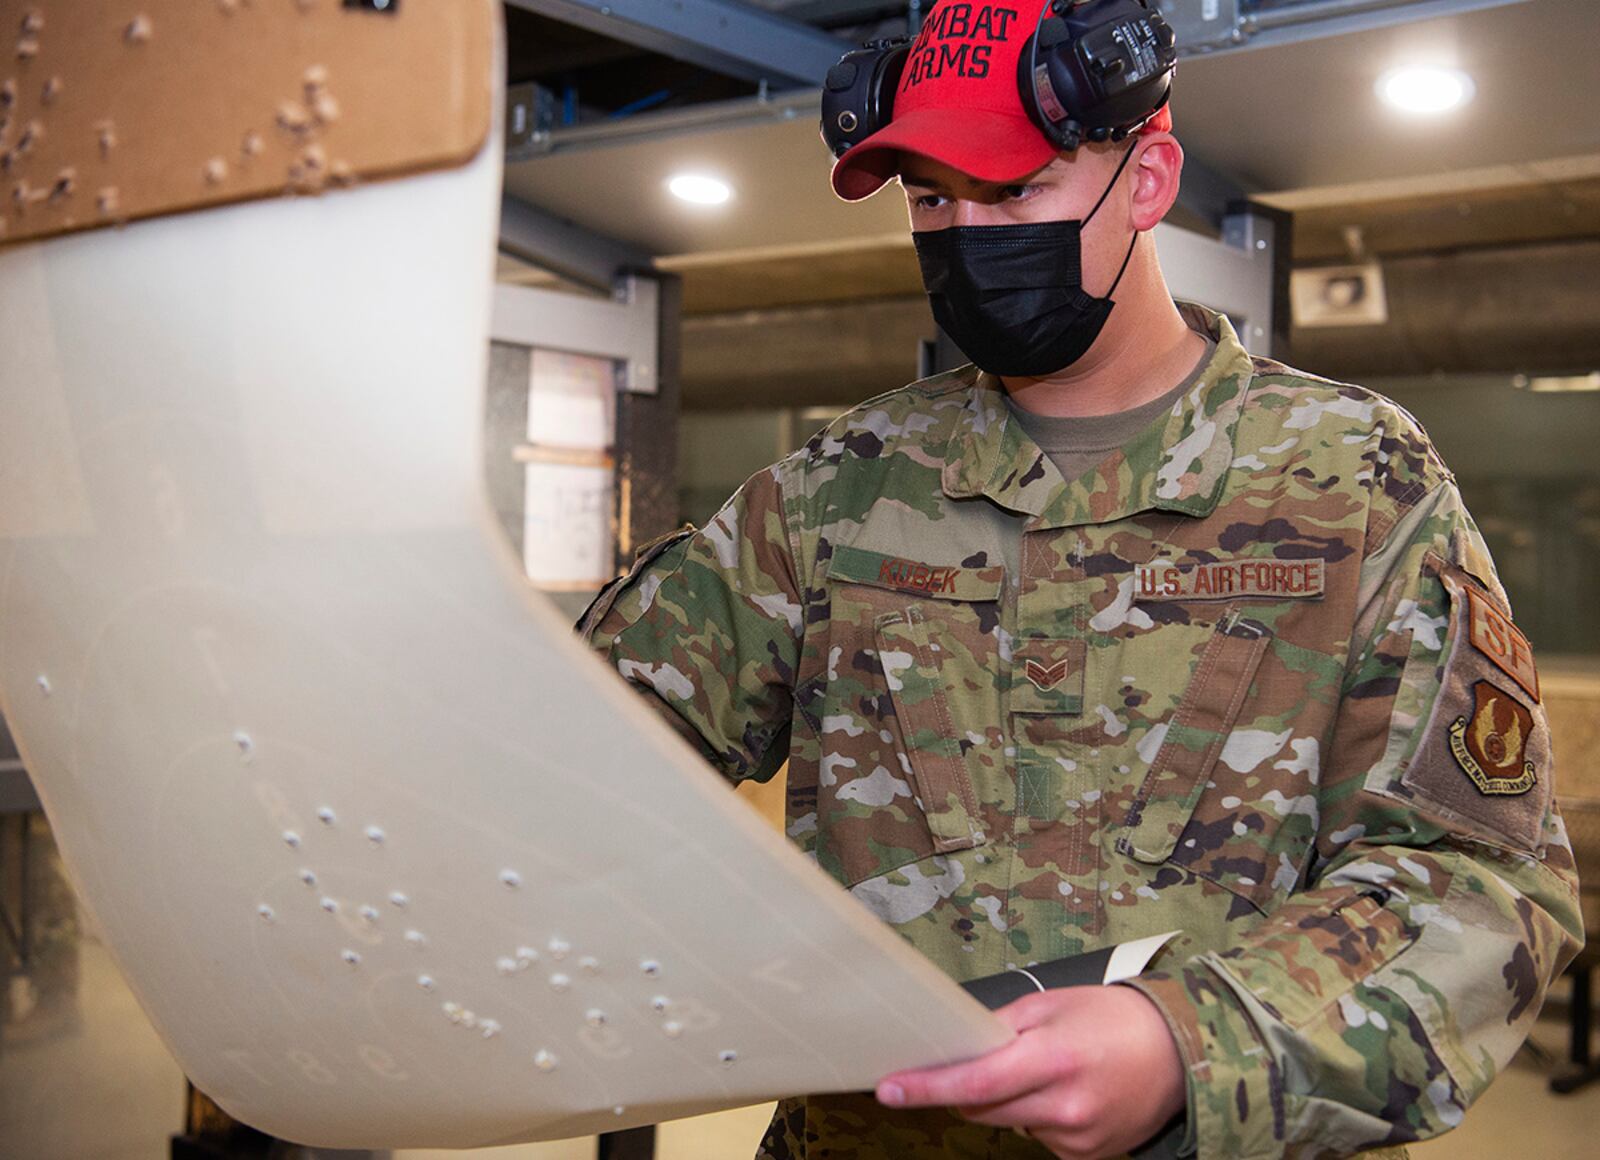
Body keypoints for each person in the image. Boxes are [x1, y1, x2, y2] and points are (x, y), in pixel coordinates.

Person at [578, 1, 1582, 1156]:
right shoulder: (838, 489)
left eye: (1013, 192)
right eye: (931, 198)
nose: (965, 234)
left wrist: (1188, 1042)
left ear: (1147, 179)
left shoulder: (1354, 479)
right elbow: (585, 750)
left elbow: (1481, 883)